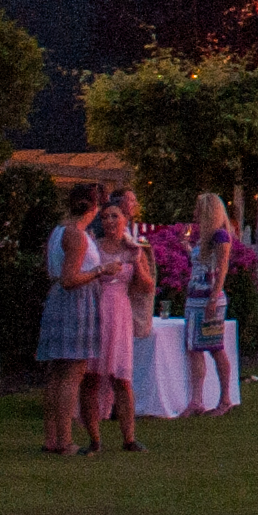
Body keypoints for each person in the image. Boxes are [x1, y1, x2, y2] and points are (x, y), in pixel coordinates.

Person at [37, 185, 109, 454]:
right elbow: (70, 279)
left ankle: (51, 438)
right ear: (94, 207)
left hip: (56, 300)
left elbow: (52, 272)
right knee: (71, 372)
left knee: (56, 373)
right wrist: (100, 270)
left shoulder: (57, 232)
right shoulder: (76, 236)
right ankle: (65, 441)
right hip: (75, 303)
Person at [92, 189, 153, 452]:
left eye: (114, 216)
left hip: (119, 310)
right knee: (92, 376)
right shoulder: (94, 248)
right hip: (95, 310)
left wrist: (136, 260)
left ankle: (129, 437)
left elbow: (147, 287)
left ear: (124, 220)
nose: (110, 221)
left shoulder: (133, 249)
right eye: (105, 217)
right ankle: (94, 438)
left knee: (122, 377)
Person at [181, 191, 239, 417]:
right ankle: (197, 399)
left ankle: (225, 397)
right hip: (195, 297)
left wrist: (214, 296)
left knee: (215, 347)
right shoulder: (203, 239)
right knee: (195, 348)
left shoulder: (220, 237)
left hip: (209, 297)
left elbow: (222, 266)